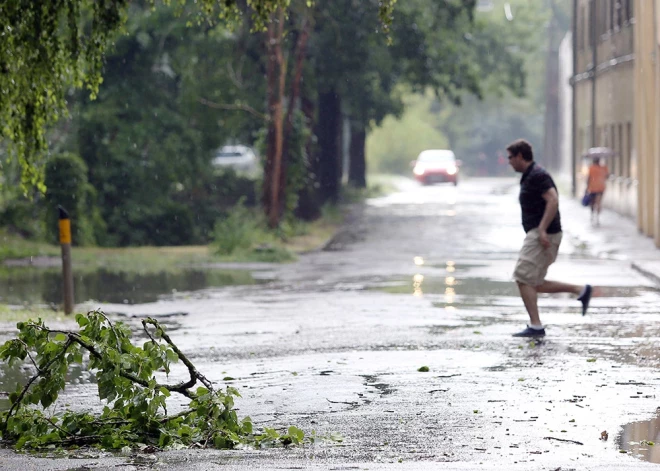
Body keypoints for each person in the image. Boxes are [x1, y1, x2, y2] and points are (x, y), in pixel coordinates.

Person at [506, 139, 592, 338]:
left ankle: (536, 326)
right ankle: (580, 290)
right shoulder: (530, 175)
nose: (509, 162)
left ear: (520, 156)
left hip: (542, 234)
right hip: (539, 233)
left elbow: (553, 199)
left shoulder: (538, 175)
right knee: (533, 282)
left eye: (511, 157)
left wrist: (542, 229)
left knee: (522, 277)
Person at [586, 156, 609, 226]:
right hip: (601, 187)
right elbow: (607, 176)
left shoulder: (591, 168)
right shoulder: (604, 168)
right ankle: (597, 217)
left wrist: (587, 187)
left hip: (592, 188)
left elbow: (588, 178)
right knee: (598, 202)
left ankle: (592, 214)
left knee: (592, 202)